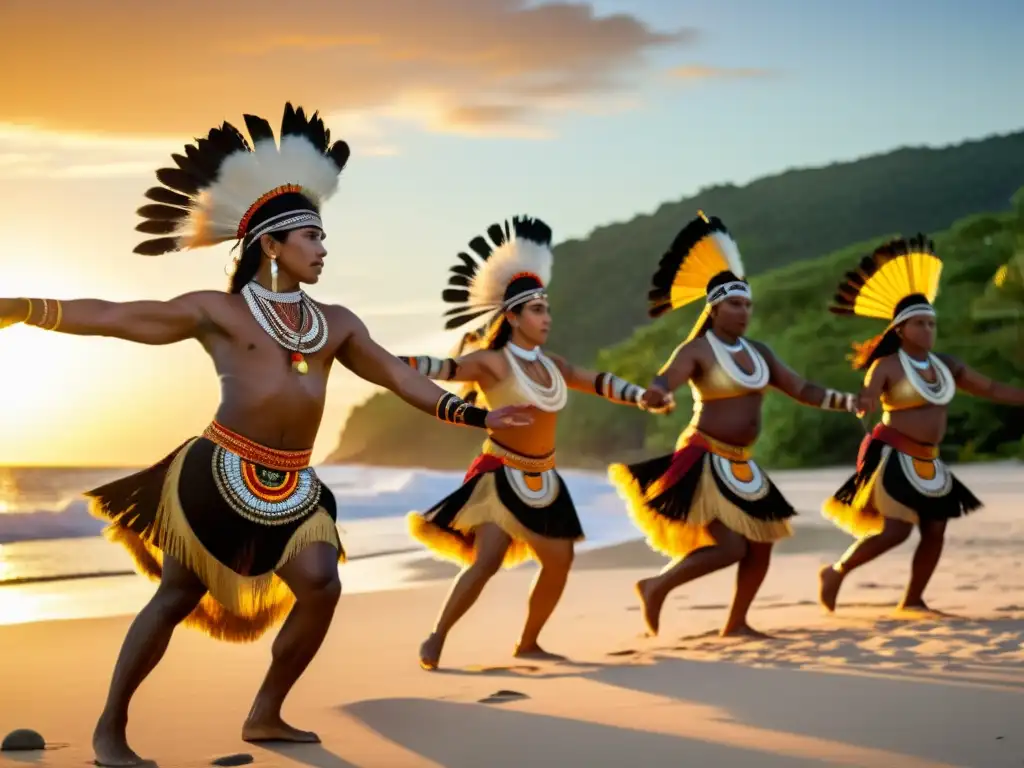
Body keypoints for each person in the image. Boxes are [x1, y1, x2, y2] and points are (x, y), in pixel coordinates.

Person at [0, 103, 530, 767]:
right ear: (270, 245)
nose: (323, 248)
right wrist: (26, 310)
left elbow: (400, 376)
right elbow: (118, 314)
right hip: (216, 472)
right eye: (310, 236)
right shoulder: (216, 310)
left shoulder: (335, 321)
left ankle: (265, 712)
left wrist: (477, 417)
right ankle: (111, 729)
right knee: (175, 596)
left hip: (295, 482)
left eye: (323, 236)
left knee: (322, 584)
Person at [398, 215, 673, 670]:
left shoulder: (554, 365)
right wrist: (377, 357)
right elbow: (439, 368)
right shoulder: (490, 363)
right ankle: (437, 636)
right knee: (486, 559)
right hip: (499, 474)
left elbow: (598, 380)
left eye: (547, 309)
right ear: (512, 316)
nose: (546, 318)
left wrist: (644, 397)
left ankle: (528, 642)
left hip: (544, 476)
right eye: (537, 310)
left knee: (559, 561)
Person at [608, 212, 868, 638]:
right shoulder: (697, 350)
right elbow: (665, 378)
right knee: (729, 547)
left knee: (761, 543)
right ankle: (656, 585)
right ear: (714, 308)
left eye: (747, 304)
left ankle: (737, 622)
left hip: (742, 464)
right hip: (703, 457)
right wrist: (657, 392)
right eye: (735, 303)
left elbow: (801, 389)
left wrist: (847, 401)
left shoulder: (760, 352)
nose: (744, 310)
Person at [818, 234, 1024, 614]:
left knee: (935, 528)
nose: (928, 330)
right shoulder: (887, 366)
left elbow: (992, 388)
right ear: (899, 329)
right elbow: (866, 397)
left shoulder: (948, 365)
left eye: (931, 323)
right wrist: (860, 405)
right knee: (896, 531)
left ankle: (913, 599)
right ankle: (837, 571)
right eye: (919, 324)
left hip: (929, 460)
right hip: (894, 454)